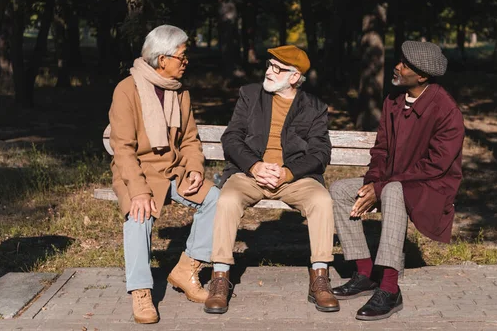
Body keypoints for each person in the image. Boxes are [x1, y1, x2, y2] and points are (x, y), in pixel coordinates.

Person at [330, 41, 465, 321]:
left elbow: (435, 166)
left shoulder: (446, 110)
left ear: (422, 76)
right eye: (400, 60)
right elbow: (381, 150)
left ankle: (390, 288)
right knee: (340, 190)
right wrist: (371, 183)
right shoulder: (394, 100)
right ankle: (365, 273)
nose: (397, 66)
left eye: (404, 64)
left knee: (392, 191)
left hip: (431, 186)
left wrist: (380, 188)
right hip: (393, 180)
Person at [204, 45, 339, 314]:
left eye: (277, 68)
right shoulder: (250, 95)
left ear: (293, 76)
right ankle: (220, 278)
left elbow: (320, 152)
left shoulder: (314, 107)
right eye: (269, 64)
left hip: (294, 178)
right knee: (227, 199)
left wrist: (288, 172)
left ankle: (320, 278)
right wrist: (254, 166)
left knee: (322, 201)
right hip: (250, 174)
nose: (268, 71)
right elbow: (231, 138)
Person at [108, 25, 220, 324]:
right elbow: (123, 149)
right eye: (181, 57)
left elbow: (191, 140)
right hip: (137, 173)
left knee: (218, 200)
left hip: (174, 170)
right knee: (138, 215)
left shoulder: (179, 92)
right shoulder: (127, 89)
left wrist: (195, 167)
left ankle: (187, 269)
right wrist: (140, 191)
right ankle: (141, 291)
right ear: (162, 59)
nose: (186, 62)